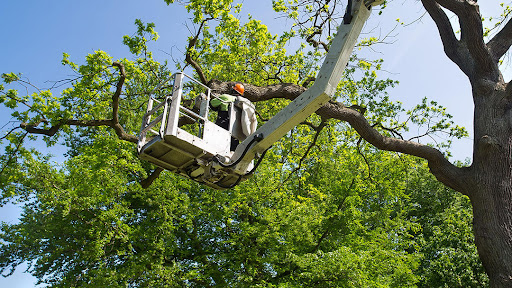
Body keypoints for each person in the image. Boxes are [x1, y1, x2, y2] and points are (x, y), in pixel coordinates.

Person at [210, 83, 245, 151]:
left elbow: (212, 104)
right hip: (235, 133)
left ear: (233, 90)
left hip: (222, 127)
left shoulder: (226, 97)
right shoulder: (242, 104)